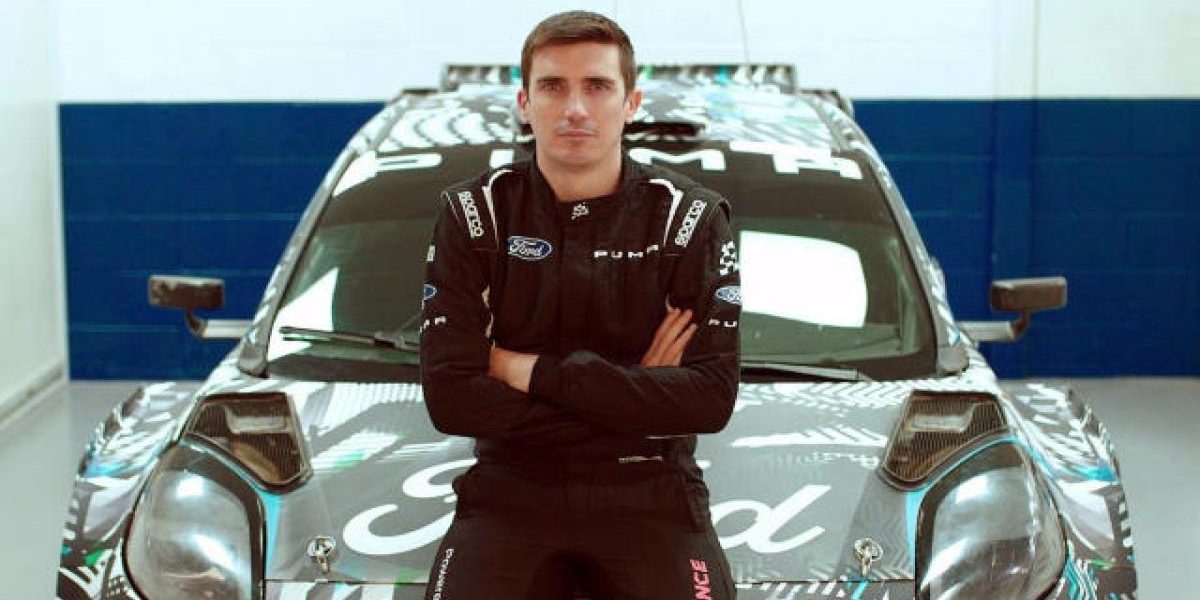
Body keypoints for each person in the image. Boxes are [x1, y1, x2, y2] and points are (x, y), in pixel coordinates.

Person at [419, 10, 741, 599]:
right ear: (524, 103)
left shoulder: (689, 218)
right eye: (552, 86)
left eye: (597, 86)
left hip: (651, 490)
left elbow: (709, 399)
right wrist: (638, 397)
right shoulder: (473, 214)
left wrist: (525, 370)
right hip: (510, 489)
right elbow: (451, 398)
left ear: (631, 102)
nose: (574, 108)